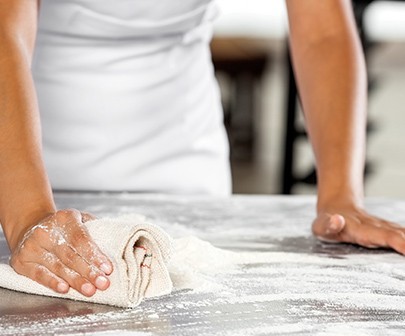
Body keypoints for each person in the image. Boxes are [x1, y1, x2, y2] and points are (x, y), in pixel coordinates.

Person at [1, 0, 405, 298]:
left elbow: (322, 28)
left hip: (184, 160)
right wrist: (30, 218)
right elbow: (7, 31)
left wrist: (341, 196)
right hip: (26, 171)